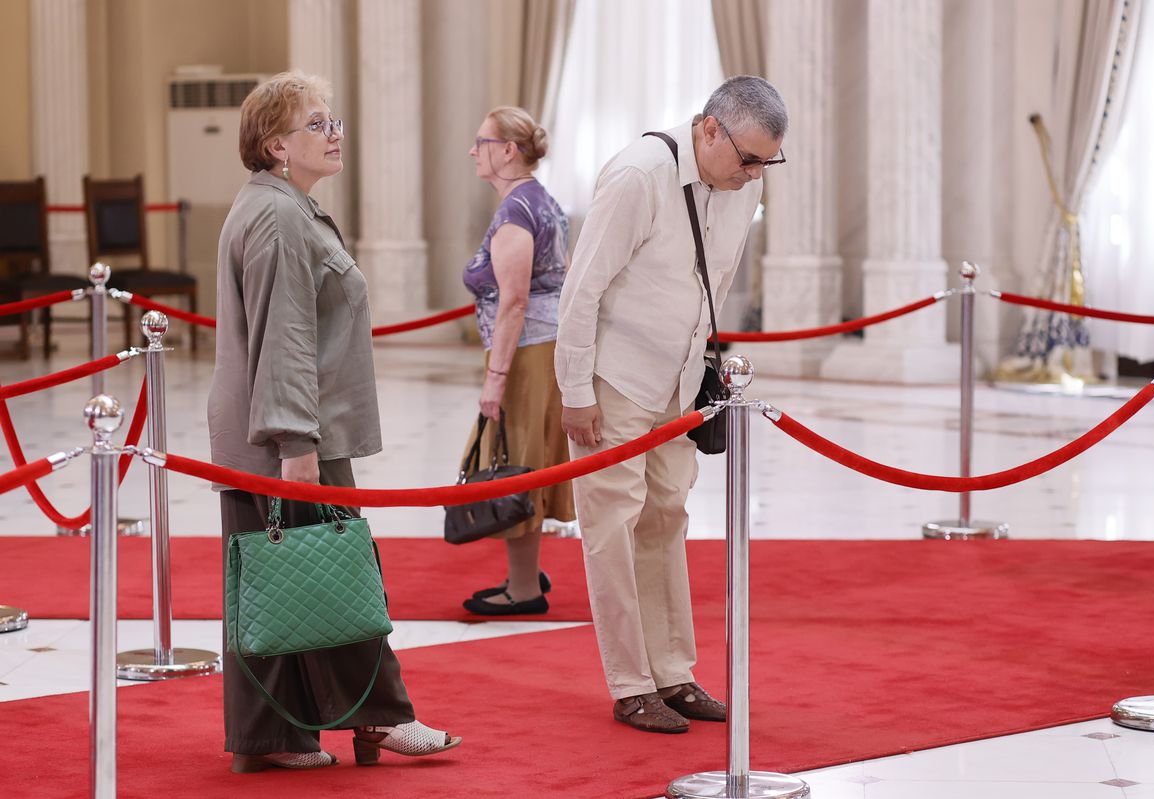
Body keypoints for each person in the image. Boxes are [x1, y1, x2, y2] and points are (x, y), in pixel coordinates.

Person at [207, 71, 461, 772]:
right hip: (285, 435)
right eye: (317, 124)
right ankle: (384, 718)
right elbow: (286, 336)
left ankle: (274, 736)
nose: (334, 132)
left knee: (276, 580)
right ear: (276, 144)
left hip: (269, 432)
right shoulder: (281, 216)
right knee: (337, 578)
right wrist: (297, 445)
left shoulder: (277, 205)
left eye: (334, 120)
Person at [555, 76, 788, 733]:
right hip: (614, 382)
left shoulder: (746, 184)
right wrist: (574, 390)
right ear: (709, 128)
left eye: (766, 161)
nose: (754, 173)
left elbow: (712, 280)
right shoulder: (638, 176)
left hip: (680, 382)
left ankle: (674, 673)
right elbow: (582, 288)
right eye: (747, 157)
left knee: (666, 518)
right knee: (612, 526)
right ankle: (632, 684)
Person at [459, 106, 575, 616]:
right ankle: (524, 575)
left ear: (508, 150)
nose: (472, 150)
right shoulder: (540, 200)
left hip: (527, 353)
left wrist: (496, 377)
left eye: (481, 141)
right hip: (544, 349)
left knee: (515, 465)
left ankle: (524, 589)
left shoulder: (515, 211)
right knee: (527, 460)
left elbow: (514, 300)